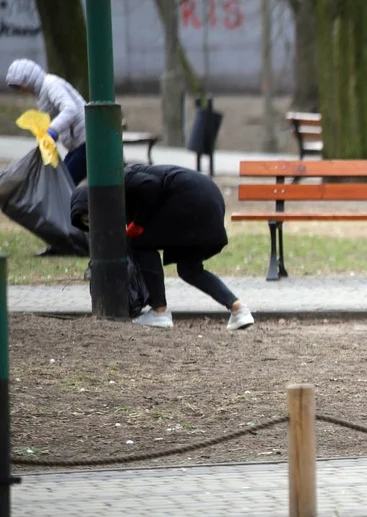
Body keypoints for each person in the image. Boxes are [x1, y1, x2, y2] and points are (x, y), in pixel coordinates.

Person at [71, 164, 255, 331]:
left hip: (190, 199)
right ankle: (239, 309)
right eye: (87, 223)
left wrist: (139, 224)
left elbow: (150, 185)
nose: (93, 222)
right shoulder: (123, 191)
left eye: (90, 215)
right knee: (189, 269)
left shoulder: (121, 179)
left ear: (93, 201)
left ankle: (159, 311)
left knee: (141, 243)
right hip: (210, 202)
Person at [6, 59, 88, 185]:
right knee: (62, 181)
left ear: (27, 79)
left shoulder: (51, 84)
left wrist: (52, 130)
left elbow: (70, 109)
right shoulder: (41, 95)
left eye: (20, 86)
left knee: (64, 184)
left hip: (86, 141)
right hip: (77, 145)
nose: (22, 90)